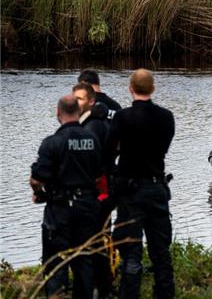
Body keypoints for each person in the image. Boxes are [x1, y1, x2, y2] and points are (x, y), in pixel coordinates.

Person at [107, 69, 175, 299]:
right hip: (157, 188)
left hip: (131, 192)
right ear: (153, 89)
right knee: (161, 252)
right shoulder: (166, 117)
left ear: (130, 88)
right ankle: (164, 294)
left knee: (131, 252)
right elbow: (163, 148)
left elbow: (109, 153)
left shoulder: (122, 118)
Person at [30, 95, 102, 299]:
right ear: (79, 113)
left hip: (60, 209)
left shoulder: (52, 142)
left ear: (57, 112)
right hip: (87, 207)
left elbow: (36, 179)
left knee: (55, 263)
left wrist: (39, 195)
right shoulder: (93, 140)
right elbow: (98, 175)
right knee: (84, 262)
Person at [73, 83, 115, 298]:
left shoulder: (90, 128)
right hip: (101, 190)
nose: (75, 103)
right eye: (74, 99)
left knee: (93, 240)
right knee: (100, 238)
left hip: (97, 192)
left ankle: (97, 288)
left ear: (91, 100)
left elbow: (95, 162)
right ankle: (105, 285)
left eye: (79, 99)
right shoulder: (96, 124)